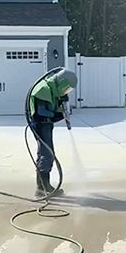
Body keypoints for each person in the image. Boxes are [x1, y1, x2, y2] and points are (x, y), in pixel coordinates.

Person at [28, 68, 77, 197]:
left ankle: (45, 185)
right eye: (65, 88)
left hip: (46, 124)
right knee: (47, 153)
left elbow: (52, 111)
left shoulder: (53, 89)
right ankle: (41, 187)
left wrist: (63, 109)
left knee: (47, 153)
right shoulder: (43, 89)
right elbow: (43, 112)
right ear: (61, 82)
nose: (65, 92)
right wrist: (59, 114)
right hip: (40, 123)